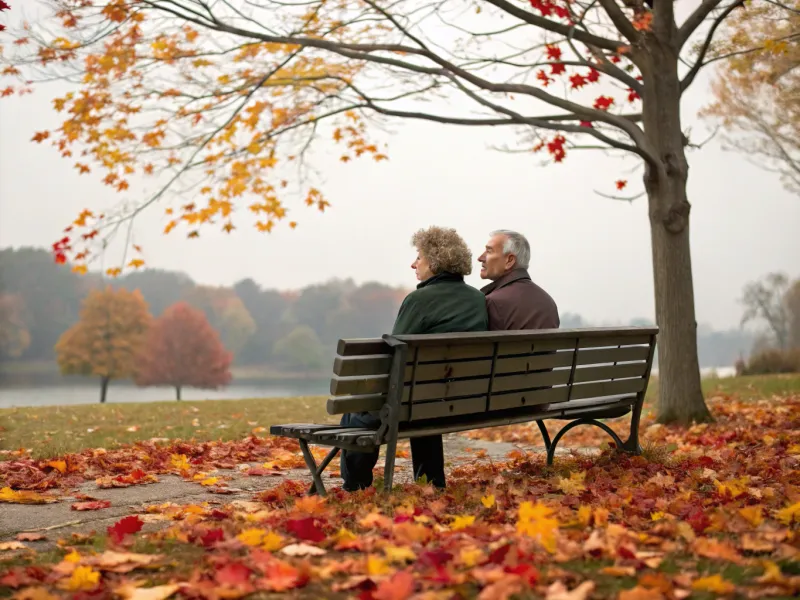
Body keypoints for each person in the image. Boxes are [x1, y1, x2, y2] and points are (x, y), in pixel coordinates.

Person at [340, 226, 488, 492]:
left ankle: (355, 485)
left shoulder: (419, 300)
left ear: (434, 261)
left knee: (357, 410)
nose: (413, 264)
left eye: (418, 257)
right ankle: (431, 482)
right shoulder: (478, 299)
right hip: (459, 399)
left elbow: (394, 356)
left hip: (417, 400)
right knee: (423, 400)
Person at [478, 229, 559, 330]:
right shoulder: (548, 302)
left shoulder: (493, 303)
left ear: (510, 260)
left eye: (489, 251)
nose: (480, 257)